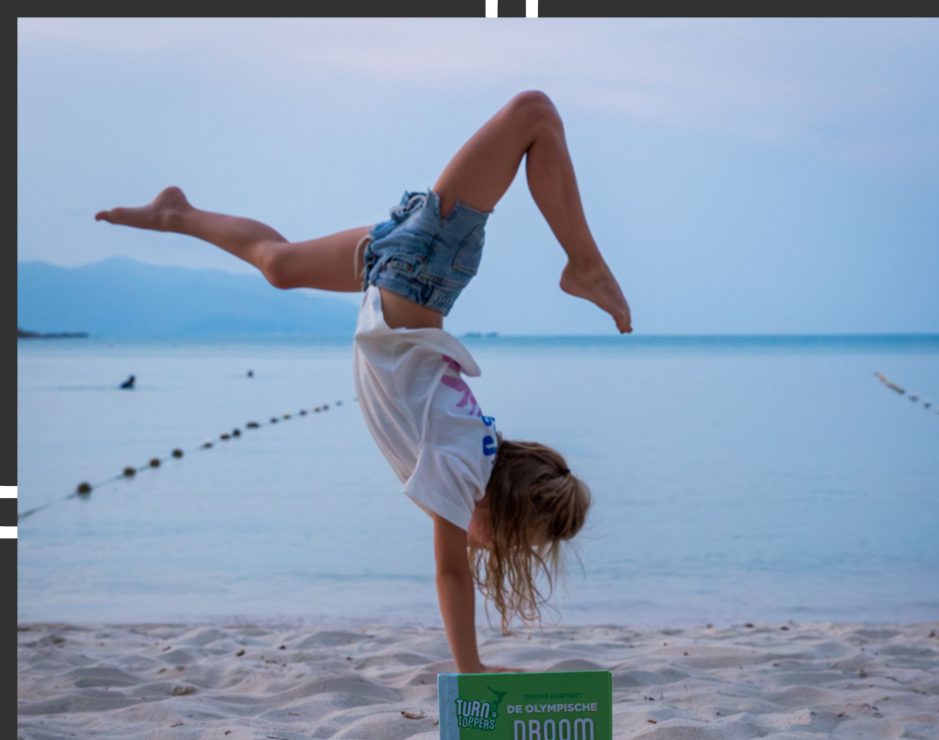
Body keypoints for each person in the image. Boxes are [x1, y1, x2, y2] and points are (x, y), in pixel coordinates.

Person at [95, 91, 630, 673]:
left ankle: (176, 213)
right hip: (422, 269)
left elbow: (471, 539)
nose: (508, 550)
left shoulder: (473, 459)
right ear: (506, 509)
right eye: (521, 540)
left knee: (278, 265)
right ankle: (586, 265)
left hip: (397, 274)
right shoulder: (458, 468)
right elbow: (451, 573)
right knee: (534, 112)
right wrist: (470, 666)